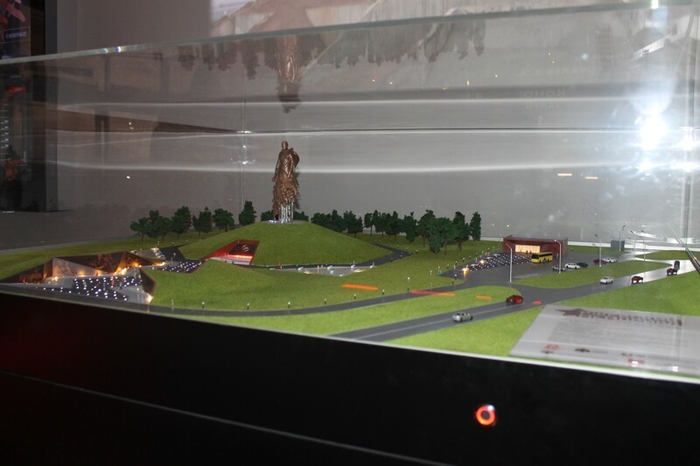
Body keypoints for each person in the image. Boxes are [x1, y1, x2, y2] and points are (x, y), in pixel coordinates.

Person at [271, 140, 300, 223]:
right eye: (282, 145)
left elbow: (292, 164)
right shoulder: (280, 154)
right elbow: (278, 164)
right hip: (281, 171)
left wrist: (290, 173)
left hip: (287, 172)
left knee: (291, 182)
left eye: (284, 144)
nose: (283, 146)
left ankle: (292, 191)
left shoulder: (289, 153)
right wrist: (275, 174)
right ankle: (278, 212)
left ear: (287, 145)